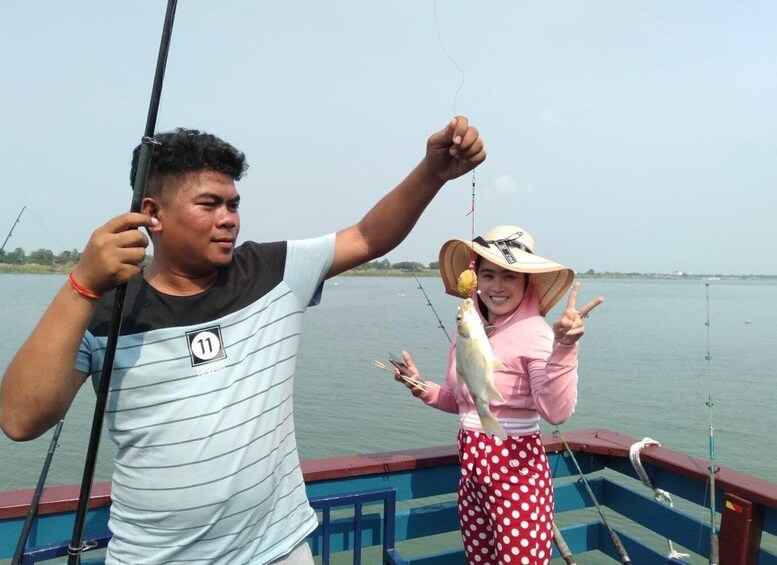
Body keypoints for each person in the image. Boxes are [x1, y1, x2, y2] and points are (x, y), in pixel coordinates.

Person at [0, 117, 486, 565]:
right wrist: (82, 284)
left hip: (280, 546)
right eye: (209, 204)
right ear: (153, 214)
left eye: (233, 204)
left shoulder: (271, 272)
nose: (229, 218)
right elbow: (21, 420)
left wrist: (432, 172)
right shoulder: (104, 308)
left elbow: (367, 236)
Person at [394, 225, 603, 565]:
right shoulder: (466, 325)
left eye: (510, 277)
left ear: (527, 283)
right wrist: (421, 386)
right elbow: (464, 401)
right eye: (488, 275)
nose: (497, 287)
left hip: (517, 474)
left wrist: (565, 347)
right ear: (475, 280)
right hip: (472, 472)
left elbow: (556, 411)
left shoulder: (535, 332)